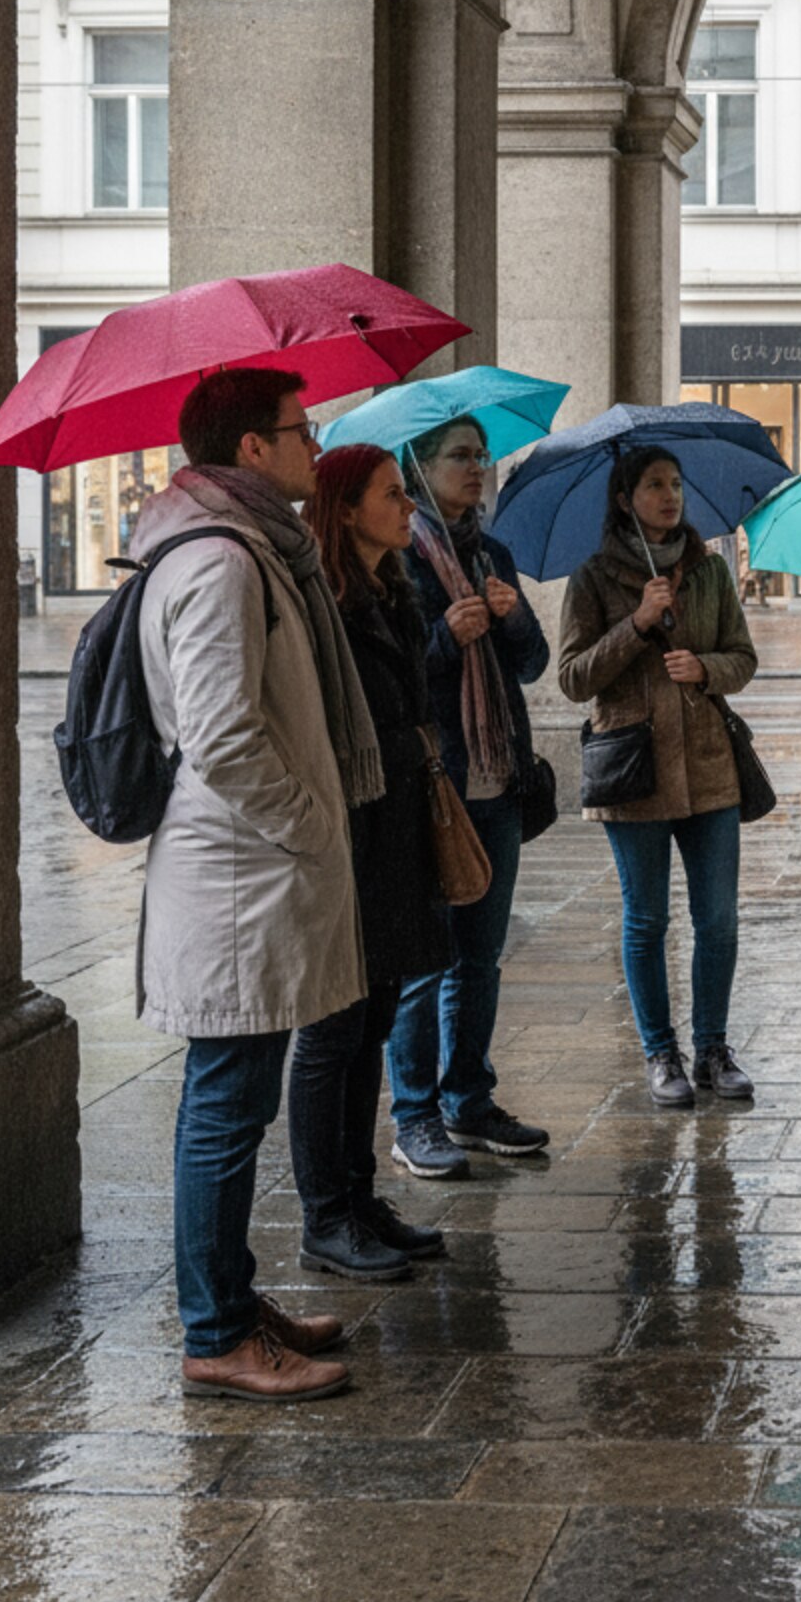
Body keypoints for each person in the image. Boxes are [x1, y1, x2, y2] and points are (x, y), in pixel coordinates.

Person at [131, 367, 371, 1402]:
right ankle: (217, 1329)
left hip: (248, 872)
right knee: (226, 1107)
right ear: (249, 448)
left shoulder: (247, 547)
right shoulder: (223, 561)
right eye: (297, 428)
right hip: (241, 873)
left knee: (229, 1099)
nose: (312, 443)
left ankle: (229, 1294)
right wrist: (311, 823)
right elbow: (223, 735)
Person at [287, 445, 458, 1282]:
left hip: (397, 838)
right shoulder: (325, 606)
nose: (409, 506)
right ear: (346, 511)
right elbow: (321, 736)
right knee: (332, 1035)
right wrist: (414, 743)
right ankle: (325, 1215)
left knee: (373, 1025)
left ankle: (359, 1199)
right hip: (351, 839)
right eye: (392, 495)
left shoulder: (395, 591)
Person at [558, 443, 759, 1108]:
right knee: (646, 920)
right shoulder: (592, 577)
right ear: (625, 498)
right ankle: (660, 1051)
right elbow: (572, 677)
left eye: (676, 483)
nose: (670, 495)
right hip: (633, 768)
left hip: (708, 765)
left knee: (719, 921)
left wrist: (706, 669)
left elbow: (742, 655)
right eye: (653, 484)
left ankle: (713, 1049)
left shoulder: (708, 571)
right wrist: (637, 624)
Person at [387, 415, 551, 1178]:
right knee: (426, 960)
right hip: (437, 782)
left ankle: (469, 1099)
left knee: (480, 958)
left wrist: (514, 622)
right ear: (419, 470)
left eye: (482, 454)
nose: (478, 467)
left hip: (497, 780)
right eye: (461, 455)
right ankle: (414, 1114)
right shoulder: (397, 560)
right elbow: (390, 679)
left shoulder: (493, 552)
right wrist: (445, 635)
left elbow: (531, 666)